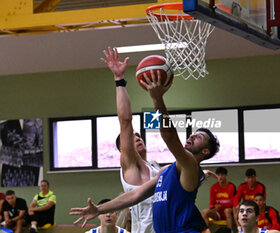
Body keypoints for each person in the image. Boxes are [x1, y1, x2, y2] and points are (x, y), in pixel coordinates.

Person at [70, 69, 220, 233]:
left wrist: (157, 99)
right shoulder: (165, 171)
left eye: (199, 137)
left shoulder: (188, 165)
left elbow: (169, 137)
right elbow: (135, 195)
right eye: (193, 133)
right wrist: (99, 209)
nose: (192, 136)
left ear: (205, 151)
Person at [101, 47, 161, 233]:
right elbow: (125, 121)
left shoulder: (154, 165)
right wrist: (119, 80)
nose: (137, 137)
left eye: (139, 136)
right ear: (123, 149)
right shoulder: (130, 166)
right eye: (132, 137)